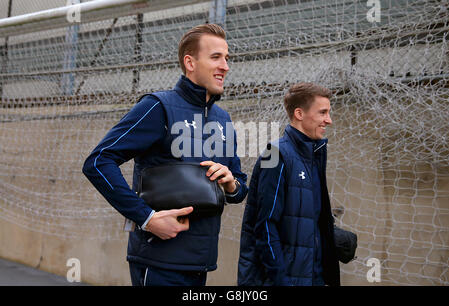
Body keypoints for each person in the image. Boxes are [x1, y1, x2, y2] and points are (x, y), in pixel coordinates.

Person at [82, 24, 248, 286]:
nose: (225, 66)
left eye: (227, 58)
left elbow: (239, 189)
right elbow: (98, 162)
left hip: (200, 264)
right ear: (190, 62)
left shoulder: (223, 119)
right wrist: (146, 219)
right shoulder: (158, 107)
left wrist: (231, 183)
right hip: (159, 264)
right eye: (216, 57)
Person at [237, 82, 340, 286]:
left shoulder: (314, 155)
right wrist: (281, 280)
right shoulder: (274, 155)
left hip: (313, 277)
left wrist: (328, 239)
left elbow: (300, 218)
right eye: (323, 113)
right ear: (299, 114)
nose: (329, 120)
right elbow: (265, 227)